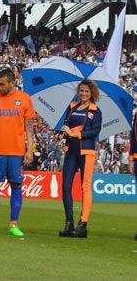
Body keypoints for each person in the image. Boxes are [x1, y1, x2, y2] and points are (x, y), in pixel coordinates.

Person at [0, 68, 36, 237]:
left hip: (16, 151)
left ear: (12, 83)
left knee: (16, 186)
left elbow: (29, 127)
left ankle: (13, 224)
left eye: (2, 84)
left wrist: (29, 150)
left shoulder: (24, 99)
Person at [58, 80, 102, 238]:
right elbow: (65, 125)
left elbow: (95, 132)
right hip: (71, 150)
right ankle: (69, 223)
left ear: (92, 93)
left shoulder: (95, 111)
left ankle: (83, 224)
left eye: (87, 92)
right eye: (82, 91)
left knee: (85, 186)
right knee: (65, 186)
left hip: (87, 151)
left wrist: (75, 133)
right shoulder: (72, 107)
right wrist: (63, 132)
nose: (84, 94)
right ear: (79, 91)